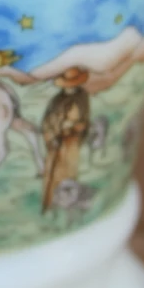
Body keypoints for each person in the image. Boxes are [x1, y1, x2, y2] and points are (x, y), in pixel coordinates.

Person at [41, 67, 91, 214]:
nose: (68, 87)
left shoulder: (82, 98)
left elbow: (82, 121)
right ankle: (50, 205)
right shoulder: (57, 99)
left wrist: (71, 129)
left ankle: (65, 206)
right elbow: (48, 120)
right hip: (55, 142)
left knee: (66, 172)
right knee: (51, 173)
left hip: (70, 143)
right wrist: (51, 136)